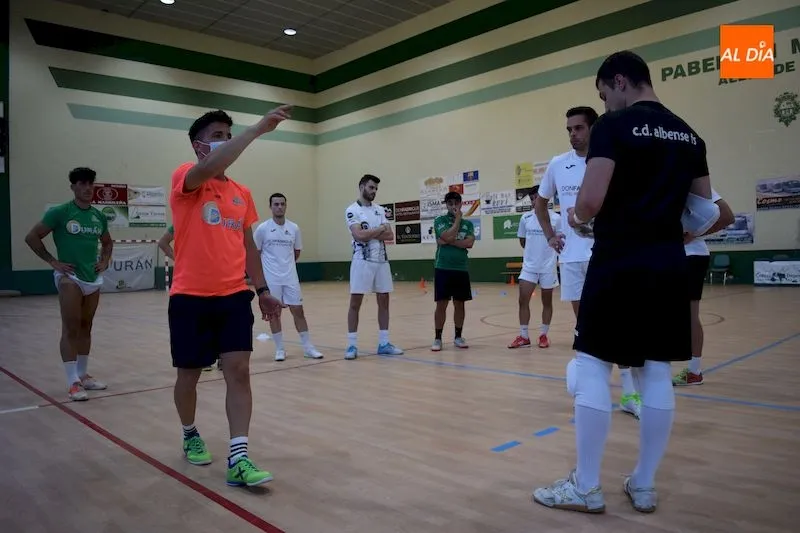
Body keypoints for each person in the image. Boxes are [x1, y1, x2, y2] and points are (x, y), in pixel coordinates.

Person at [533, 50, 719, 514]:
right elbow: (707, 209)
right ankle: (644, 483)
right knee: (654, 369)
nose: (605, 104)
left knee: (594, 365)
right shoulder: (689, 134)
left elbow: (590, 201)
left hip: (619, 261)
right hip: (668, 263)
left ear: (618, 81)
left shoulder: (612, 128)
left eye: (604, 95)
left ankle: (587, 487)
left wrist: (576, 220)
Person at [168, 106, 290, 488]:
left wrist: (263, 289)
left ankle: (238, 457)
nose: (224, 139)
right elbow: (208, 168)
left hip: (233, 296)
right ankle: (189, 431)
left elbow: (249, 247)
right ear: (199, 145)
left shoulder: (242, 193)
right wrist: (255, 130)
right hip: (189, 297)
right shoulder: (187, 177)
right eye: (217, 135)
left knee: (239, 371)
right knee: (189, 376)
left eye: (227, 133)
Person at [535, 106, 641, 419]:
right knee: (587, 328)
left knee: (616, 325)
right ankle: (592, 393)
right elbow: (541, 205)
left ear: (593, 129)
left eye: (579, 128)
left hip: (607, 255)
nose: (573, 135)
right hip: (571, 259)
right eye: (569, 129)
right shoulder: (558, 164)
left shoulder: (609, 161)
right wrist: (551, 236)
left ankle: (630, 394)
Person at [24, 167, 113, 401]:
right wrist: (53, 261)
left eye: (90, 184)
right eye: (81, 184)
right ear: (73, 187)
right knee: (71, 327)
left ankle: (83, 375)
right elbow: (32, 237)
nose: (87, 188)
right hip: (69, 278)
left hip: (92, 278)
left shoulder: (98, 216)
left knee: (86, 326)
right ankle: (72, 381)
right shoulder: (60, 212)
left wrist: (104, 261)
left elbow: (107, 243)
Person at [673, 189, 734, 386]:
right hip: (671, 256)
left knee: (690, 315)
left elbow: (727, 216)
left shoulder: (692, 183)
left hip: (690, 256)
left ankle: (693, 371)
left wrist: (695, 233)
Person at [253, 193, 323, 361]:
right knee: (274, 313)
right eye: (276, 204)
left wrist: (286, 265)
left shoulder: (294, 228)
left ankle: (308, 347)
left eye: (282, 204)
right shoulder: (263, 229)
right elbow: (256, 253)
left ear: (286, 206)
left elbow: (296, 252)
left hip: (291, 278)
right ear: (270, 207)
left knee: (298, 311)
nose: (279, 207)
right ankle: (280, 349)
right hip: (272, 279)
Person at [344, 174, 403, 360]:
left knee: (384, 300)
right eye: (371, 188)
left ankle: (384, 343)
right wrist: (378, 230)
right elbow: (359, 236)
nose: (374, 191)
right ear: (362, 187)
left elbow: (390, 235)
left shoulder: (380, 210)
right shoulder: (352, 210)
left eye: (376, 189)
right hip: (362, 261)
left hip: (382, 261)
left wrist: (370, 232)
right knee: (355, 302)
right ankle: (352, 345)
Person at [158, 225, 216, 372]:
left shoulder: (215, 220)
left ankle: (221, 357)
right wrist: (178, 259)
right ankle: (205, 359)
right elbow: (163, 242)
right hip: (192, 283)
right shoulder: (181, 221)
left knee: (219, 319)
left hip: (216, 278)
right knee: (201, 321)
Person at [509, 186, 560, 349]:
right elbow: (522, 241)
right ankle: (524, 336)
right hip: (529, 267)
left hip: (548, 267)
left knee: (547, 302)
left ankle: (543, 335)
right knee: (522, 300)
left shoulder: (556, 219)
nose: (534, 201)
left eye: (536, 198)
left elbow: (561, 241)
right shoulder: (525, 218)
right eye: (531, 199)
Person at [431, 191, 475, 351]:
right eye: (450, 203)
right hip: (443, 268)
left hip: (461, 269)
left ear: (461, 204)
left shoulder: (468, 224)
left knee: (460, 304)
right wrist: (457, 221)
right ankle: (437, 338)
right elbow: (447, 236)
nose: (453, 206)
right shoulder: (439, 220)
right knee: (441, 304)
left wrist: (448, 241)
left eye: (456, 203)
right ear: (446, 205)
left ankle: (458, 336)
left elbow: (469, 243)